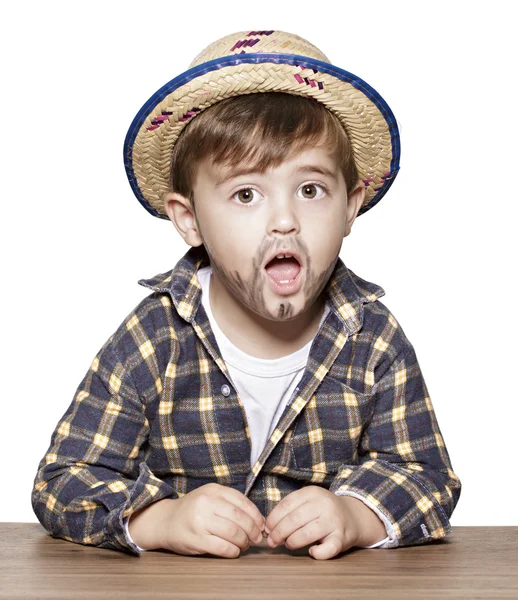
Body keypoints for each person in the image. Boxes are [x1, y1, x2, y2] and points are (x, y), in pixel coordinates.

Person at [31, 29, 462, 561]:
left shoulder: (373, 339)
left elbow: (430, 480)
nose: (284, 220)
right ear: (189, 220)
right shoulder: (156, 336)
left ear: (350, 207)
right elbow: (64, 480)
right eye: (245, 194)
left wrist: (355, 514)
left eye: (310, 190)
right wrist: (161, 519)